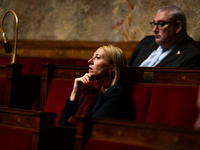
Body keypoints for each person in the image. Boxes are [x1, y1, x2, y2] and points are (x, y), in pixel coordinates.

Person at [59, 44, 133, 126]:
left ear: (112, 68)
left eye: (98, 57)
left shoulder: (116, 93)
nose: (89, 61)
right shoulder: (93, 91)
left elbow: (90, 127)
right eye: (92, 57)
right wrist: (74, 94)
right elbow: (62, 125)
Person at [127, 5, 200, 67]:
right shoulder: (146, 42)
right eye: (155, 24)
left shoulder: (191, 55)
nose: (154, 29)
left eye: (161, 24)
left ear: (178, 26)